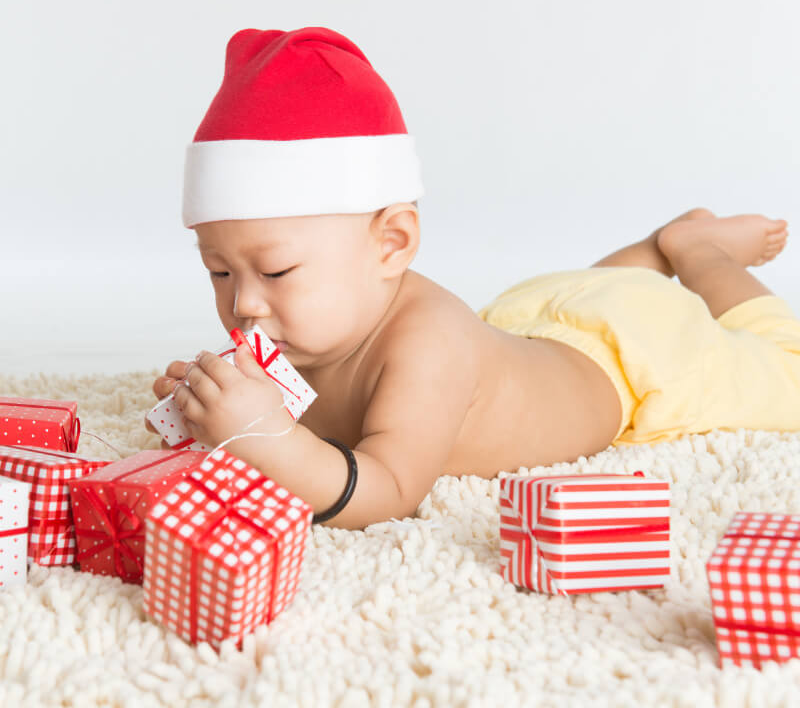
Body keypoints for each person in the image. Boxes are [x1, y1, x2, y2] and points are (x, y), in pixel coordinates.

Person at [145, 26, 800, 530]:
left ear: (392, 245)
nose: (244, 302)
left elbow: (388, 490)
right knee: (594, 301)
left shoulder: (429, 346)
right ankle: (651, 252)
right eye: (219, 270)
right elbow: (311, 427)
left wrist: (264, 437)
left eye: (278, 270)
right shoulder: (307, 329)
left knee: (786, 371)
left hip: (634, 358)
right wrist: (217, 408)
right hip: (540, 321)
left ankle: (698, 250)